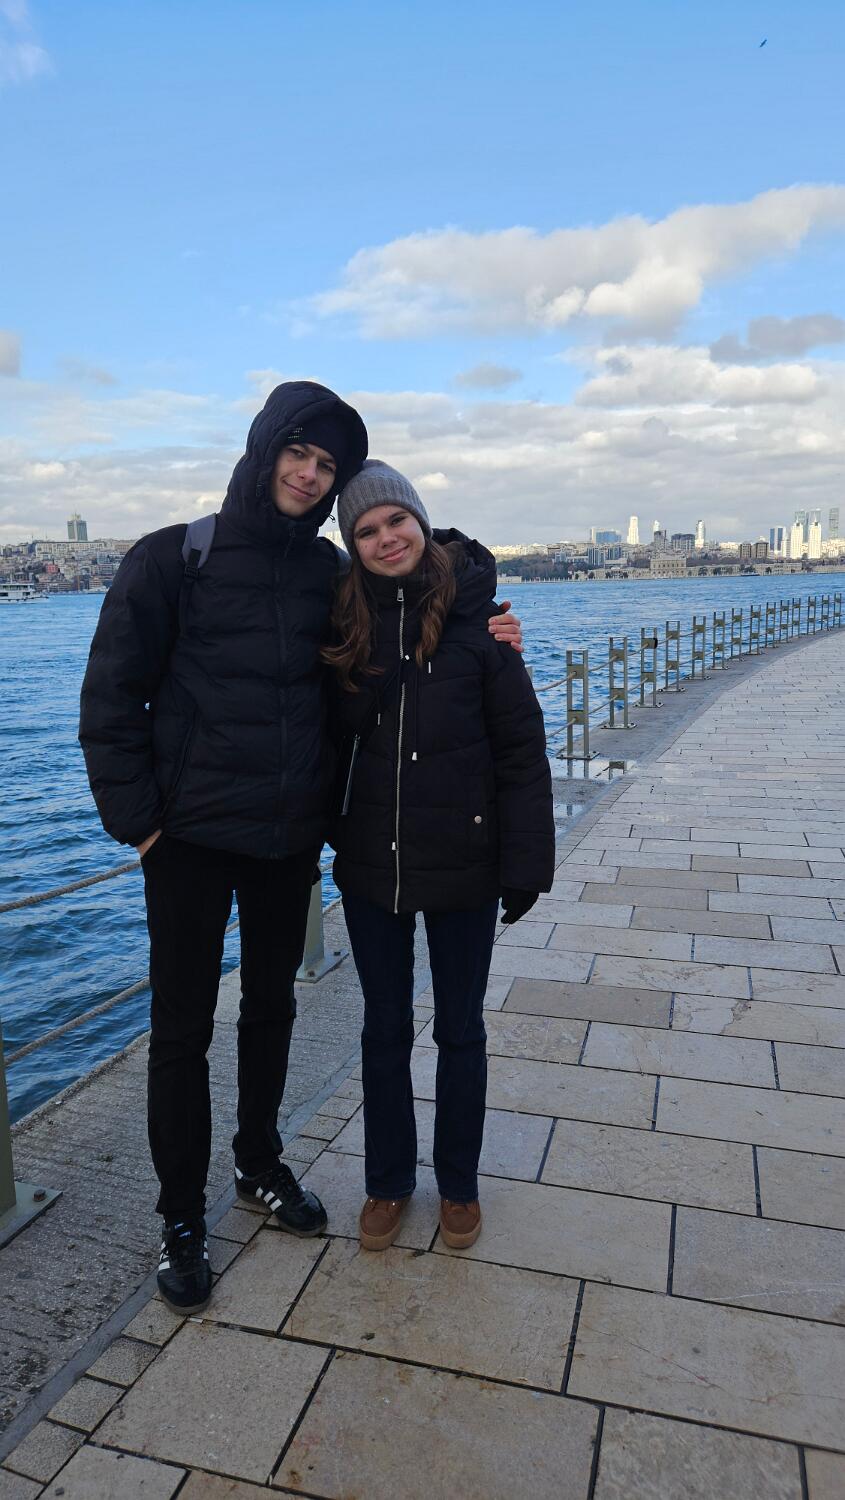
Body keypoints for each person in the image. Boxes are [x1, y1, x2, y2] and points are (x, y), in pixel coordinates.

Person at [79, 382, 522, 1314]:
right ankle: (179, 1216)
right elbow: (112, 697)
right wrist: (141, 825)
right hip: (188, 839)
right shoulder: (174, 556)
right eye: (298, 453)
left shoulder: (329, 573)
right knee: (181, 1031)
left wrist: (486, 620)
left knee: (271, 1008)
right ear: (262, 449)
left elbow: (413, 601)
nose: (310, 474)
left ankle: (259, 1163)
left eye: (326, 464)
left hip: (285, 839)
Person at [323, 460, 554, 1252]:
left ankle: (458, 1184)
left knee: (460, 1030)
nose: (386, 538)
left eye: (396, 520)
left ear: (420, 522)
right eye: (366, 530)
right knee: (383, 1030)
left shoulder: (481, 626)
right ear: (351, 544)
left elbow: (520, 750)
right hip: (371, 864)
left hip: (463, 859)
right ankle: (387, 1182)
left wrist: (524, 864)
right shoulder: (342, 628)